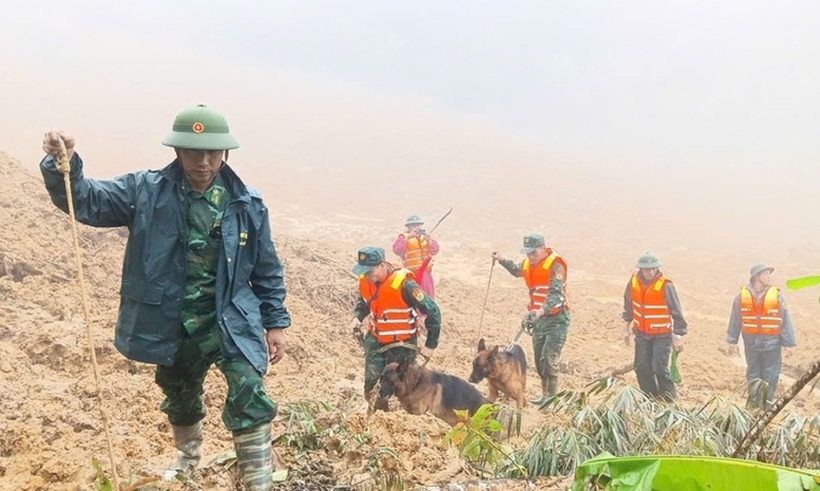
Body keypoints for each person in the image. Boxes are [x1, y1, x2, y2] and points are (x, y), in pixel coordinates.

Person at [40, 105, 290, 490]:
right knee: (179, 393)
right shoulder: (144, 190)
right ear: (177, 151)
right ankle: (188, 461)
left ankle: (258, 480)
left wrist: (275, 322)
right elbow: (87, 200)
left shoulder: (247, 205)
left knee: (249, 388)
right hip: (170, 321)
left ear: (225, 153)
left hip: (230, 320)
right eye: (193, 152)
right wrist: (65, 164)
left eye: (212, 153)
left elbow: (266, 267)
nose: (203, 162)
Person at [348, 246, 441, 410]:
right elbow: (363, 303)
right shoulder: (366, 281)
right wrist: (357, 317)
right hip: (377, 339)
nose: (368, 276)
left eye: (371, 271)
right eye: (365, 272)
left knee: (407, 386)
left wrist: (430, 345)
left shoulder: (405, 284)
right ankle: (378, 414)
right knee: (372, 381)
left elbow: (432, 310)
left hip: (403, 343)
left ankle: (407, 416)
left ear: (382, 265)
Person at [491, 233, 571, 405]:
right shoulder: (528, 263)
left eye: (534, 252)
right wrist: (502, 259)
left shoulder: (555, 265)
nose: (531, 256)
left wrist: (539, 312)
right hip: (539, 320)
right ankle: (544, 394)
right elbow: (516, 270)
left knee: (549, 358)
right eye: (528, 253)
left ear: (543, 248)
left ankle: (552, 398)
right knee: (539, 360)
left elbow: (555, 296)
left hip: (557, 319)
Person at [726, 263, 797, 410]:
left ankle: (766, 407)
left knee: (770, 376)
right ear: (757, 277)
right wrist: (732, 340)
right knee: (753, 373)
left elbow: (784, 319)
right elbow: (735, 319)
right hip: (751, 344)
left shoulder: (777, 295)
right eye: (765, 274)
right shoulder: (741, 296)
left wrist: (789, 343)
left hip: (771, 344)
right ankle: (752, 404)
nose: (769, 277)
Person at [622, 253, 686, 402]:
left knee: (659, 368)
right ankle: (650, 399)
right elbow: (628, 306)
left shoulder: (666, 285)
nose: (649, 272)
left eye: (652, 269)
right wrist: (625, 327)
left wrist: (678, 336)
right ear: (641, 270)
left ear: (657, 268)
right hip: (642, 334)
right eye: (646, 269)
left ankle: (668, 401)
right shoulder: (633, 282)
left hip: (661, 335)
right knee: (641, 368)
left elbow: (677, 312)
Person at [392, 215, 440, 299]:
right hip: (412, 274)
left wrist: (429, 240)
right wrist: (409, 237)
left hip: (426, 273)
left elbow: (435, 250)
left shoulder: (425, 237)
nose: (417, 227)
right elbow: (397, 250)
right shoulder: (403, 237)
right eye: (414, 225)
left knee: (428, 296)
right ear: (408, 227)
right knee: (415, 296)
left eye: (418, 225)